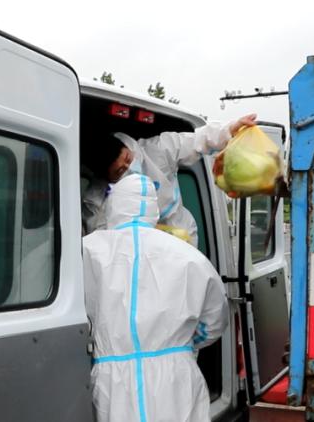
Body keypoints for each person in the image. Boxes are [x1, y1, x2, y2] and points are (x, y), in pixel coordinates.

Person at [83, 174, 229, 422]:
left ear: (113, 206)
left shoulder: (87, 250)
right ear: (153, 209)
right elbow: (214, 320)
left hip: (113, 380)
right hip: (175, 378)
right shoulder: (188, 256)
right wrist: (184, 343)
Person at [81, 113, 257, 247]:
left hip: (182, 237)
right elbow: (99, 240)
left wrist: (229, 130)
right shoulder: (97, 199)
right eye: (120, 170)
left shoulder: (156, 150)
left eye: (127, 158)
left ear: (127, 146)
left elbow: (197, 140)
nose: (129, 167)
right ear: (106, 178)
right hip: (139, 250)